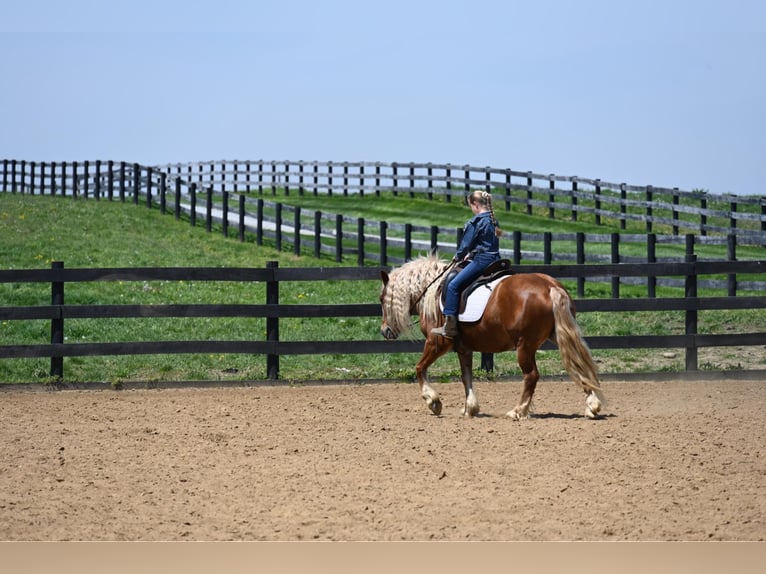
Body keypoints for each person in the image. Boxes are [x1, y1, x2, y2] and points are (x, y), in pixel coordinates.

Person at [432, 190, 502, 338]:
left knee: (453, 285)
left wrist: (457, 257)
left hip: (482, 260)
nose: (471, 209)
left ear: (475, 204)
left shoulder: (475, 222)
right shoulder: (493, 220)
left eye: (471, 206)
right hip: (497, 259)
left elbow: (465, 245)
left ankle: (450, 326)